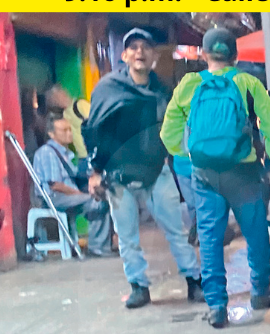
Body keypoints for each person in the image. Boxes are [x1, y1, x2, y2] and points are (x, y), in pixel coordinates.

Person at [162, 27, 270, 328]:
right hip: (244, 172)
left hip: (205, 175)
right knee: (256, 234)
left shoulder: (188, 84)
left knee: (210, 240)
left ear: (204, 54)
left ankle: (216, 306)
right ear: (235, 56)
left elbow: (169, 133)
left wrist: (189, 157)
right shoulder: (248, 82)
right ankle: (260, 292)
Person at [83, 28, 202, 309]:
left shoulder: (163, 91)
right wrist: (95, 172)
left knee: (176, 231)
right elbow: (93, 131)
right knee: (127, 237)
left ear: (153, 57)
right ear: (124, 56)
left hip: (155, 173)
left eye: (145, 47)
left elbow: (174, 129)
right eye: (133, 47)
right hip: (118, 178)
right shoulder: (108, 89)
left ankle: (194, 282)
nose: (139, 52)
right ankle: (138, 286)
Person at [32, 115, 113, 257]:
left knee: (103, 198)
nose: (69, 133)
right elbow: (55, 185)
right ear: (51, 134)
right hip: (54, 198)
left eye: (70, 129)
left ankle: (101, 246)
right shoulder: (47, 152)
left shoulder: (66, 153)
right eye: (64, 130)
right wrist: (80, 194)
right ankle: (97, 248)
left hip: (67, 195)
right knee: (96, 200)